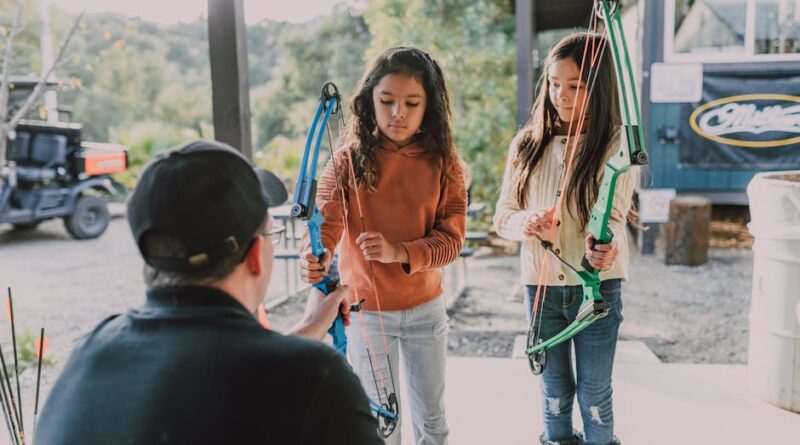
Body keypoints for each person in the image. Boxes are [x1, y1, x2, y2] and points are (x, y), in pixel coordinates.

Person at [35, 141, 384, 445]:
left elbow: (203, 372)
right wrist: (310, 356)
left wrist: (310, 327)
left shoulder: (89, 355)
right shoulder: (315, 380)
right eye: (270, 231)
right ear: (254, 257)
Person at [299, 46, 467, 445]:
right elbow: (325, 223)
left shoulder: (445, 162)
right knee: (381, 424)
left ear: (430, 106)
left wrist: (399, 252)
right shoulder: (346, 160)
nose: (398, 113)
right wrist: (316, 257)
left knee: (432, 422)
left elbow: (452, 239)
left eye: (412, 103)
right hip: (367, 314)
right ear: (368, 100)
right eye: (386, 101)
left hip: (426, 309)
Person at [493, 32, 638, 445]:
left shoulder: (616, 144)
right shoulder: (527, 144)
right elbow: (502, 216)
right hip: (540, 289)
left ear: (600, 87)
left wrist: (602, 245)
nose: (562, 95)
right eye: (555, 83)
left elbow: (609, 216)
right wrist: (525, 222)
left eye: (576, 85)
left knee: (594, 397)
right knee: (555, 395)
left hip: (597, 289)